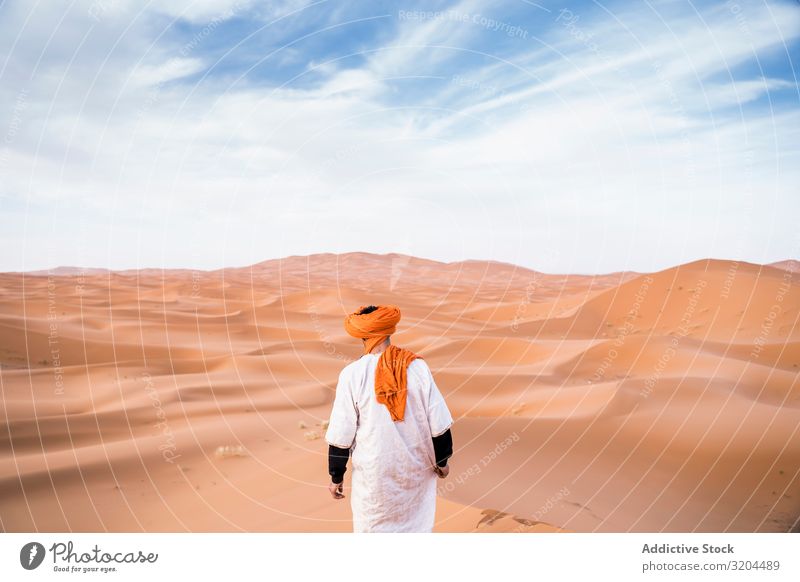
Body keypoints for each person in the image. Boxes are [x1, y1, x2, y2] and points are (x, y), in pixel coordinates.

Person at [325, 304, 454, 532]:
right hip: (415, 474)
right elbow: (439, 424)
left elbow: (341, 435)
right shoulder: (417, 367)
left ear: (362, 335)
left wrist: (336, 476)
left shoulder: (352, 375)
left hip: (374, 480)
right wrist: (442, 463)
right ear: (388, 330)